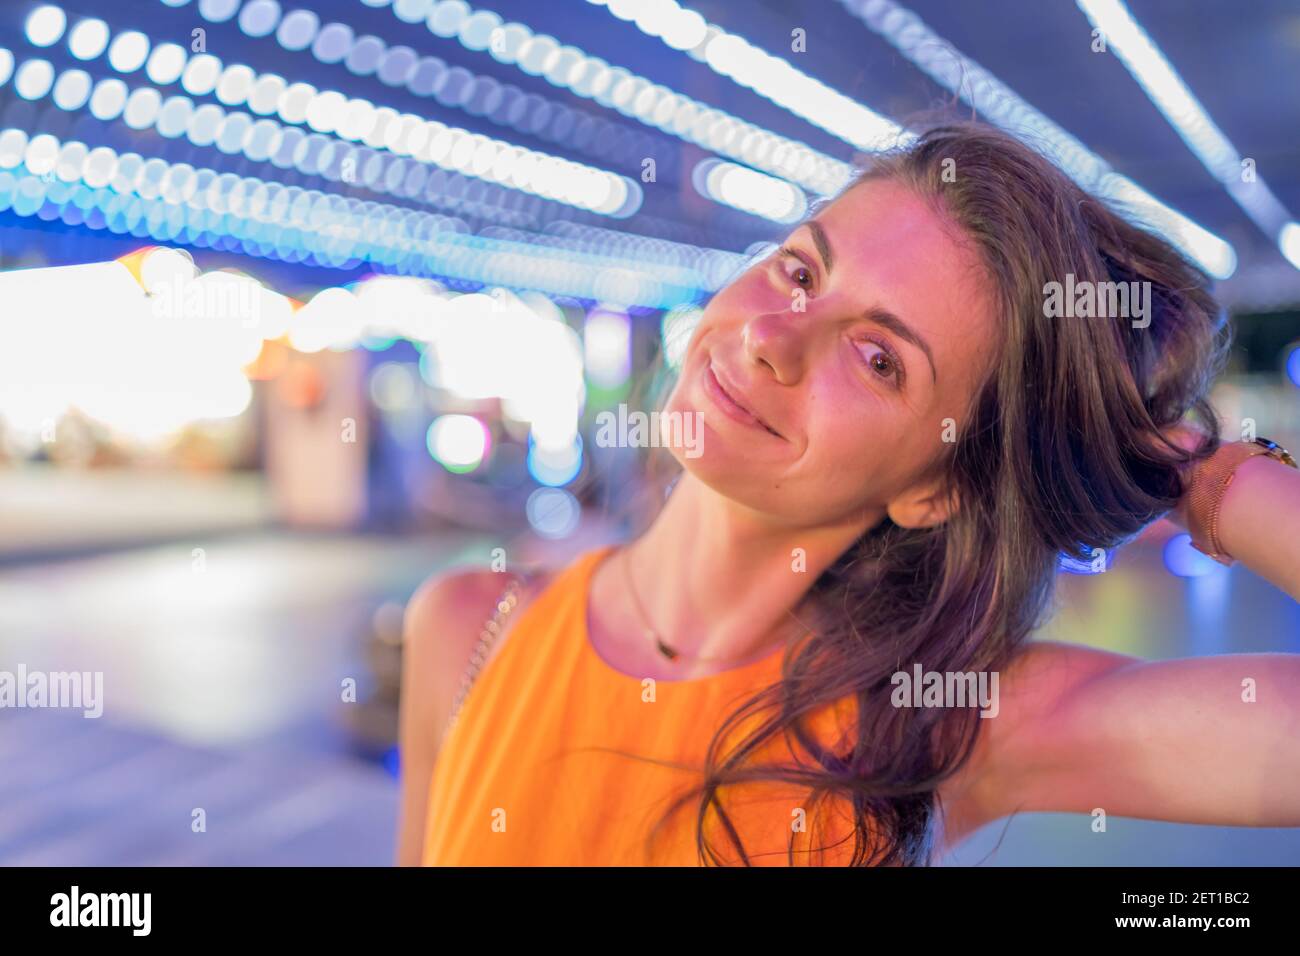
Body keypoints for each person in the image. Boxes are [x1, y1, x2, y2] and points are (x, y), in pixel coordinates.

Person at [396, 122, 1300, 866]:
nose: (772, 340)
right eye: (800, 271)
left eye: (878, 360)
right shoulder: (470, 628)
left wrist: (1195, 472)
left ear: (936, 489)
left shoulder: (937, 726)